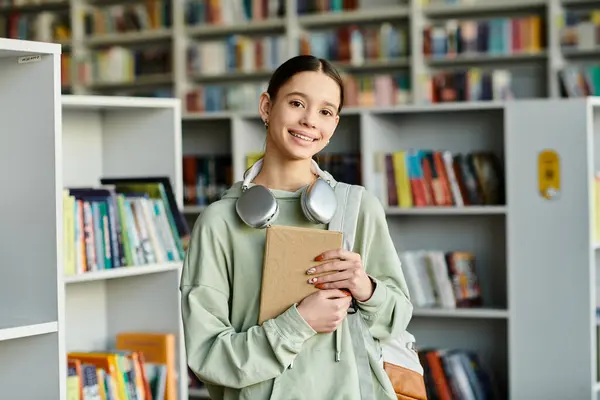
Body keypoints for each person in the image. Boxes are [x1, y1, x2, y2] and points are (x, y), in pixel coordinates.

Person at [180, 55, 413, 400]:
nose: (309, 120)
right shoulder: (219, 222)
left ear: (334, 125)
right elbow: (208, 356)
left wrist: (364, 287)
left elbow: (397, 319)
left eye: (325, 112)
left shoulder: (358, 207)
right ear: (266, 107)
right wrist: (298, 323)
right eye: (296, 103)